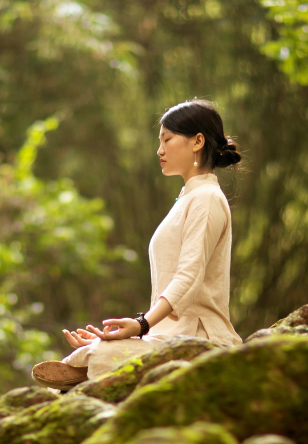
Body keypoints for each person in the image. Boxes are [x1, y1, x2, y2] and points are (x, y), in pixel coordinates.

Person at [31, 99, 244, 389]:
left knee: (98, 356)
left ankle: (88, 369)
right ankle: (91, 362)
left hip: (200, 340)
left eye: (167, 139)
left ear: (197, 141)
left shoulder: (206, 199)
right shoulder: (188, 198)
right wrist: (139, 332)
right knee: (95, 350)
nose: (160, 150)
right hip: (171, 337)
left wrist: (142, 324)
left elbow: (188, 276)